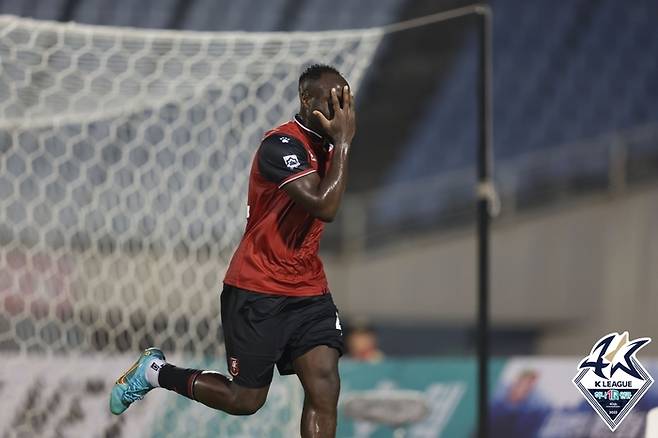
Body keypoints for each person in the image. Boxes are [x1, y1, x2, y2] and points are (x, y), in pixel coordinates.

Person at [109, 64, 356, 438]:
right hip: (258, 287)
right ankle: (154, 372)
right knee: (245, 400)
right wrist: (343, 143)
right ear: (306, 101)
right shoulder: (281, 145)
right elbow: (325, 206)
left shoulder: (331, 146)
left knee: (325, 387)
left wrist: (338, 144)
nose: (340, 110)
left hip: (308, 290)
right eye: (330, 100)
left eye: (345, 99)